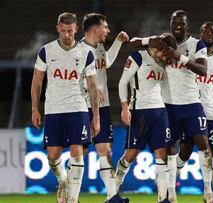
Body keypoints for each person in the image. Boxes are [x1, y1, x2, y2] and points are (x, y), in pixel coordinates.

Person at [31, 12, 100, 203]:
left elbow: (93, 87)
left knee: (77, 154)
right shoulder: (47, 51)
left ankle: (72, 199)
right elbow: (37, 82)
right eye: (63, 31)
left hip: (78, 107)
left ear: (76, 29)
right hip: (53, 109)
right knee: (53, 157)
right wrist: (35, 109)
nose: (67, 35)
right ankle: (62, 180)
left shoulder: (86, 53)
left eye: (70, 31)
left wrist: (96, 116)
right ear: (57, 29)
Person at [115, 33, 178, 203]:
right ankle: (113, 193)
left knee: (161, 154)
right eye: (164, 53)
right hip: (139, 111)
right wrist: (124, 107)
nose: (165, 57)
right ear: (158, 48)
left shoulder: (165, 63)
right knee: (130, 155)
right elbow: (122, 82)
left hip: (160, 111)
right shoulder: (137, 57)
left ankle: (162, 198)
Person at [161, 10, 213, 203]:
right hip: (169, 104)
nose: (177, 26)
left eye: (181, 23)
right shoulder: (162, 42)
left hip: (191, 103)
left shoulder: (196, 44)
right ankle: (171, 195)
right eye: (174, 22)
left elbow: (202, 69)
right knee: (171, 149)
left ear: (187, 26)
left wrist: (179, 57)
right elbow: (141, 44)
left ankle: (208, 192)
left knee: (203, 144)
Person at [79, 13, 129, 202]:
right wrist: (88, 90)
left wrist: (117, 42)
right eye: (105, 27)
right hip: (83, 107)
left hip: (103, 106)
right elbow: (70, 78)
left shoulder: (99, 46)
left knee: (105, 150)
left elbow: (105, 62)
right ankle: (67, 191)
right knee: (80, 152)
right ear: (95, 28)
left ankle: (112, 196)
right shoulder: (79, 50)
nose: (108, 30)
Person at [184, 21, 213, 203]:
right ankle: (167, 191)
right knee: (183, 153)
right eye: (204, 31)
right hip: (190, 110)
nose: (208, 33)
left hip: (212, 114)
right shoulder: (191, 55)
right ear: (199, 34)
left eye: (212, 31)